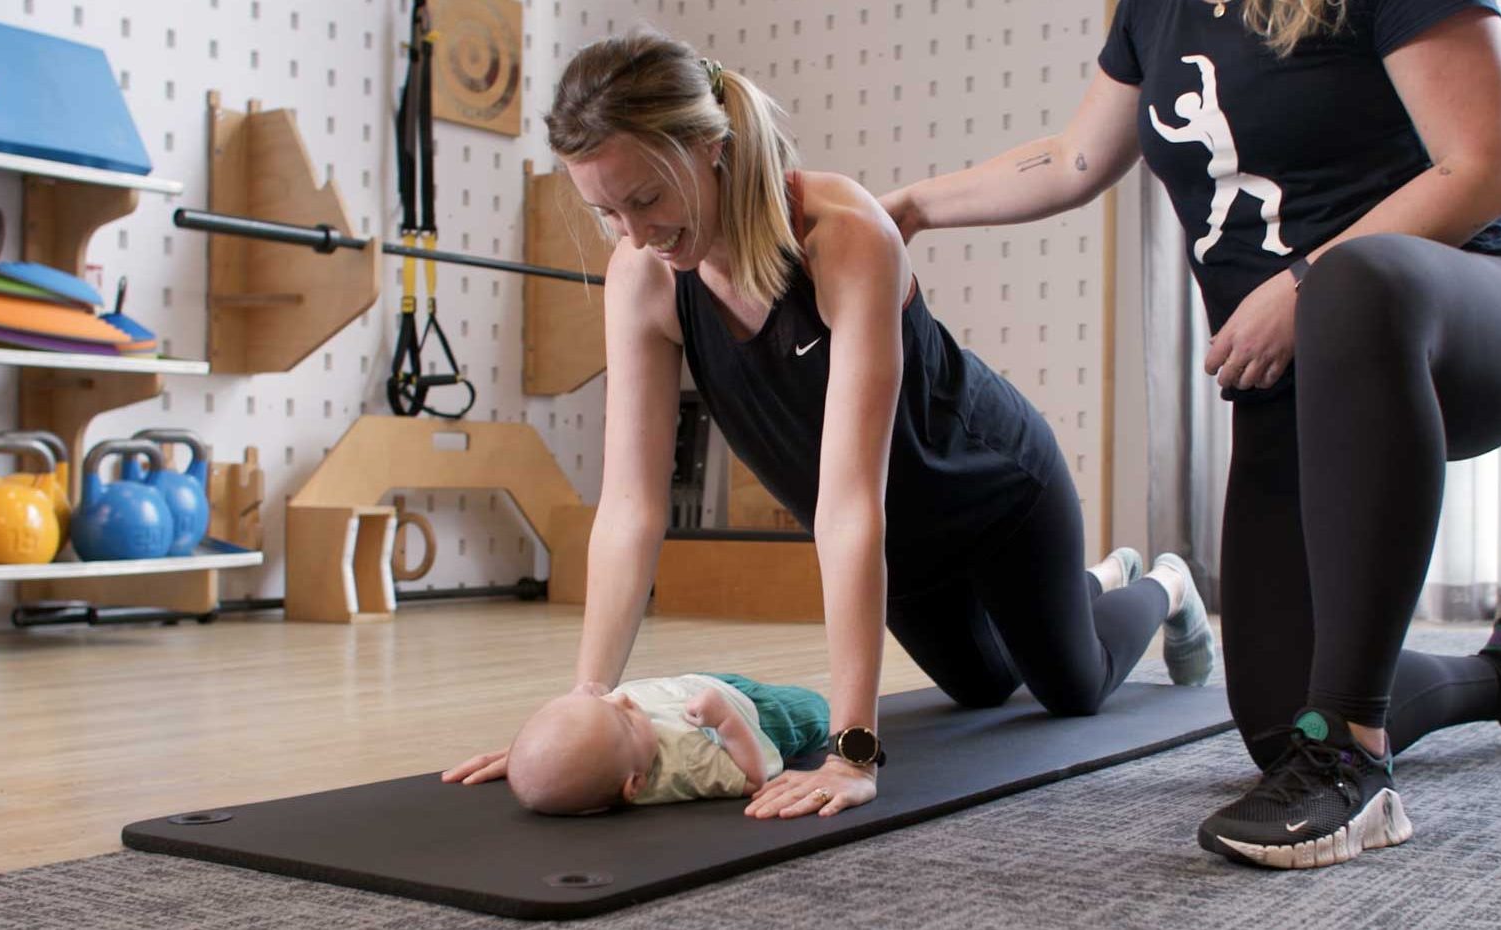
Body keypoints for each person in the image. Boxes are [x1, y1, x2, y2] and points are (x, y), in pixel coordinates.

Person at [879, 0, 1501, 869]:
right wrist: (908, 206)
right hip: (1294, 384)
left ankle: (1357, 765)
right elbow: (1073, 158)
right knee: (1281, 723)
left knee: (1351, 282)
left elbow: (1487, 165)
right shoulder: (1153, 10)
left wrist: (1307, 280)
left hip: (1460, 322)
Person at [445, 31, 1216, 820]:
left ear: (710, 148)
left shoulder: (841, 236)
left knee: (1072, 687)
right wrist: (582, 714)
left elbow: (849, 505)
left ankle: (1161, 581)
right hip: (897, 544)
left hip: (995, 492)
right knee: (983, 687)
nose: (635, 235)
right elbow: (631, 508)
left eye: (645, 199)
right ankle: (1085, 586)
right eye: (605, 212)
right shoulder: (643, 278)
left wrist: (854, 751)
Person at [455, 673, 829, 814]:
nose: (621, 700)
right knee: (818, 709)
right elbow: (752, 778)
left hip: (693, 686)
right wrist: (727, 722)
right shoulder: (688, 762)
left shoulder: (614, 747)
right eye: (624, 718)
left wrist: (590, 695)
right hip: (761, 713)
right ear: (634, 784)